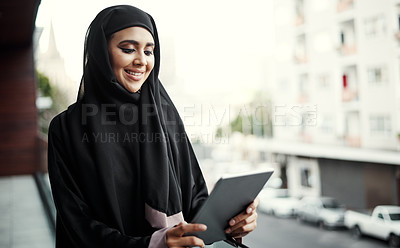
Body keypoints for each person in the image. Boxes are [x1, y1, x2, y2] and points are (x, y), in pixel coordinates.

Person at [47, 5, 259, 248]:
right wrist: (152, 244)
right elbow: (77, 224)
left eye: (149, 51)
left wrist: (234, 221)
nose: (141, 61)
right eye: (128, 49)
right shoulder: (66, 129)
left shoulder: (165, 116)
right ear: (100, 52)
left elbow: (194, 198)